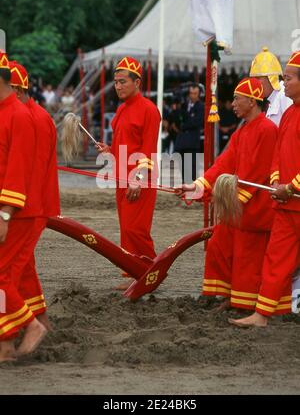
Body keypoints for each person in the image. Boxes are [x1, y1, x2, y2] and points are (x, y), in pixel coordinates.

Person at [175, 78, 278, 311]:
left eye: (236, 98)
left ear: (251, 101)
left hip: (254, 208)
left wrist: (232, 200)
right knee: (219, 245)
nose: (232, 104)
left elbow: (258, 173)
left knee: (245, 256)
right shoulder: (242, 132)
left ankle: (244, 302)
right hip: (237, 205)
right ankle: (229, 296)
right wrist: (198, 185)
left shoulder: (267, 129)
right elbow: (223, 165)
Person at [230, 52, 300, 327]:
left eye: (289, 78)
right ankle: (262, 314)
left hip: (293, 196)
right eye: (283, 78)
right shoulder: (288, 115)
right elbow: (278, 157)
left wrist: (292, 186)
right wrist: (275, 182)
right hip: (286, 203)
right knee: (276, 259)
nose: (284, 83)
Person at [96, 57, 161, 289]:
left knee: (137, 229)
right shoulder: (121, 109)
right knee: (127, 228)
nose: (118, 86)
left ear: (137, 82)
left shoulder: (149, 111)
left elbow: (148, 149)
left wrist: (139, 179)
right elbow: (124, 145)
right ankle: (135, 275)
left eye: (123, 81)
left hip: (140, 179)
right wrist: (109, 150)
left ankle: (150, 274)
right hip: (122, 178)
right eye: (115, 82)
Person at [0, 53, 47, 362]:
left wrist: (4, 214)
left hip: (18, 212)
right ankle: (6, 345)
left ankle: (32, 326)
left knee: (2, 278)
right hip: (12, 209)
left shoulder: (18, 115)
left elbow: (17, 170)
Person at [9, 60, 60, 333]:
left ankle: (27, 327)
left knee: (11, 270)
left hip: (28, 207)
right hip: (28, 205)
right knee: (24, 266)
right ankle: (40, 322)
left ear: (15, 90)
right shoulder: (34, 115)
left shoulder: (31, 118)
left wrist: (12, 208)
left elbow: (31, 170)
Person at [250, 46, 292, 126]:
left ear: (271, 78)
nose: (255, 83)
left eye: (258, 78)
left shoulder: (284, 94)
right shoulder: (271, 99)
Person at [174, 84, 205, 182]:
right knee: (182, 168)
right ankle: (184, 187)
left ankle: (192, 189)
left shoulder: (201, 106)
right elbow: (177, 119)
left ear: (199, 94)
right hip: (182, 142)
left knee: (192, 169)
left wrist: (184, 123)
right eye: (191, 93)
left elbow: (196, 122)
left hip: (192, 143)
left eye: (195, 93)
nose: (193, 96)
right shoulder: (184, 105)